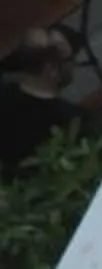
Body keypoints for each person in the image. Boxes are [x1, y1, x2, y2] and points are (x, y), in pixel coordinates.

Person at [0, 25, 90, 172]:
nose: (74, 64)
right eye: (70, 58)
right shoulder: (72, 121)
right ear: (51, 70)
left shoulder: (3, 94)